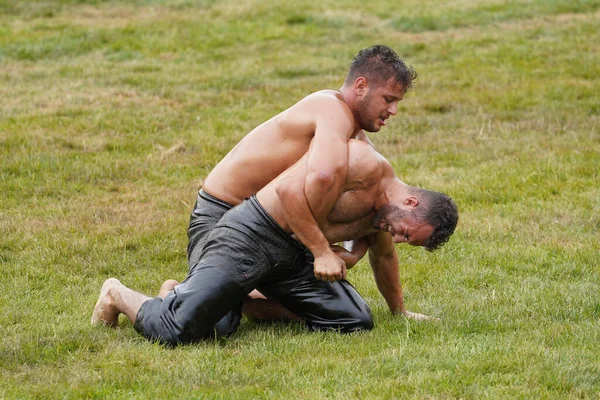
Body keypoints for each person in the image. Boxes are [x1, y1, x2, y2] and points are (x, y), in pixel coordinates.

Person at [92, 139, 458, 346]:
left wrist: (398, 310)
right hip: (248, 233)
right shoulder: (362, 167)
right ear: (410, 202)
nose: (396, 237)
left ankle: (222, 295)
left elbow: (385, 257)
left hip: (287, 256)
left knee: (354, 318)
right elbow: (288, 192)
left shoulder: (384, 215)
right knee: (192, 330)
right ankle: (117, 294)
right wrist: (321, 252)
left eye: (405, 240)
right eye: (406, 232)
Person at [181, 45, 423, 334]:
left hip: (271, 234)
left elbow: (382, 245)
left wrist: (399, 310)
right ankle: (172, 295)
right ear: (361, 86)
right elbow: (311, 181)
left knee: (334, 314)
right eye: (389, 99)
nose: (393, 111)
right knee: (215, 324)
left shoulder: (356, 144)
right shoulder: (331, 110)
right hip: (222, 216)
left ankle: (241, 298)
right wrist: (321, 250)